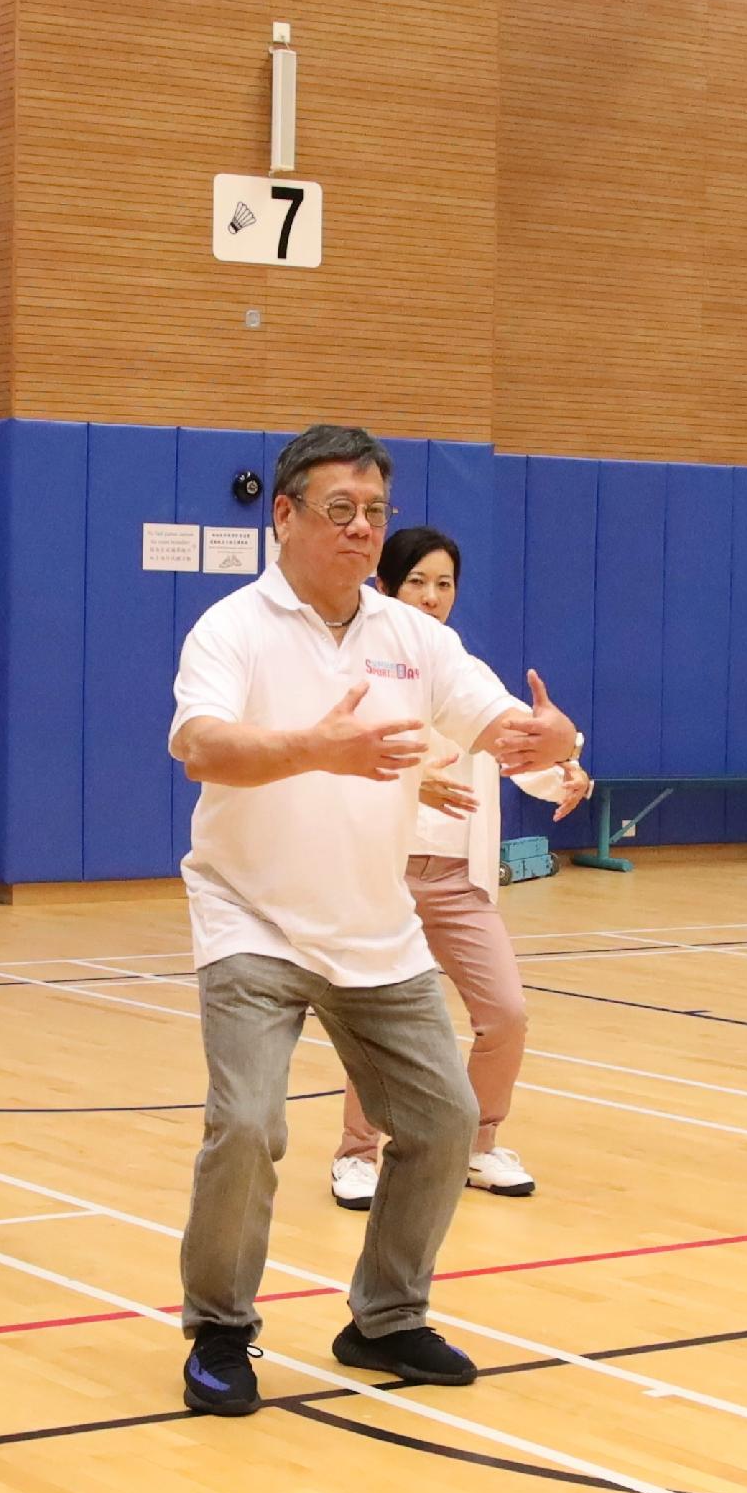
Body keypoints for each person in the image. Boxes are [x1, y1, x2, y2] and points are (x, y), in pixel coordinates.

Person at [166, 425, 579, 1417]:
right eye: (339, 511)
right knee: (248, 1126)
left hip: (372, 925)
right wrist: (314, 747)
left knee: (442, 1120)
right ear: (284, 516)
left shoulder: (414, 639)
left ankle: (385, 1317)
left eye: (374, 514)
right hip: (250, 919)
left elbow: (499, 726)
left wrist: (546, 738)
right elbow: (200, 746)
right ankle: (220, 1330)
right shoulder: (232, 628)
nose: (360, 531)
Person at [324, 525, 589, 1212]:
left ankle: (478, 1143)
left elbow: (512, 747)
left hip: (459, 880)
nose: (433, 596)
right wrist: (413, 783)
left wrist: (563, 772)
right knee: (382, 1019)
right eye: (418, 581)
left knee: (506, 1013)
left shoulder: (465, 670)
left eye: (444, 584)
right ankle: (357, 1153)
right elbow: (339, 764)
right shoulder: (357, 672)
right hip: (384, 873)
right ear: (383, 584)